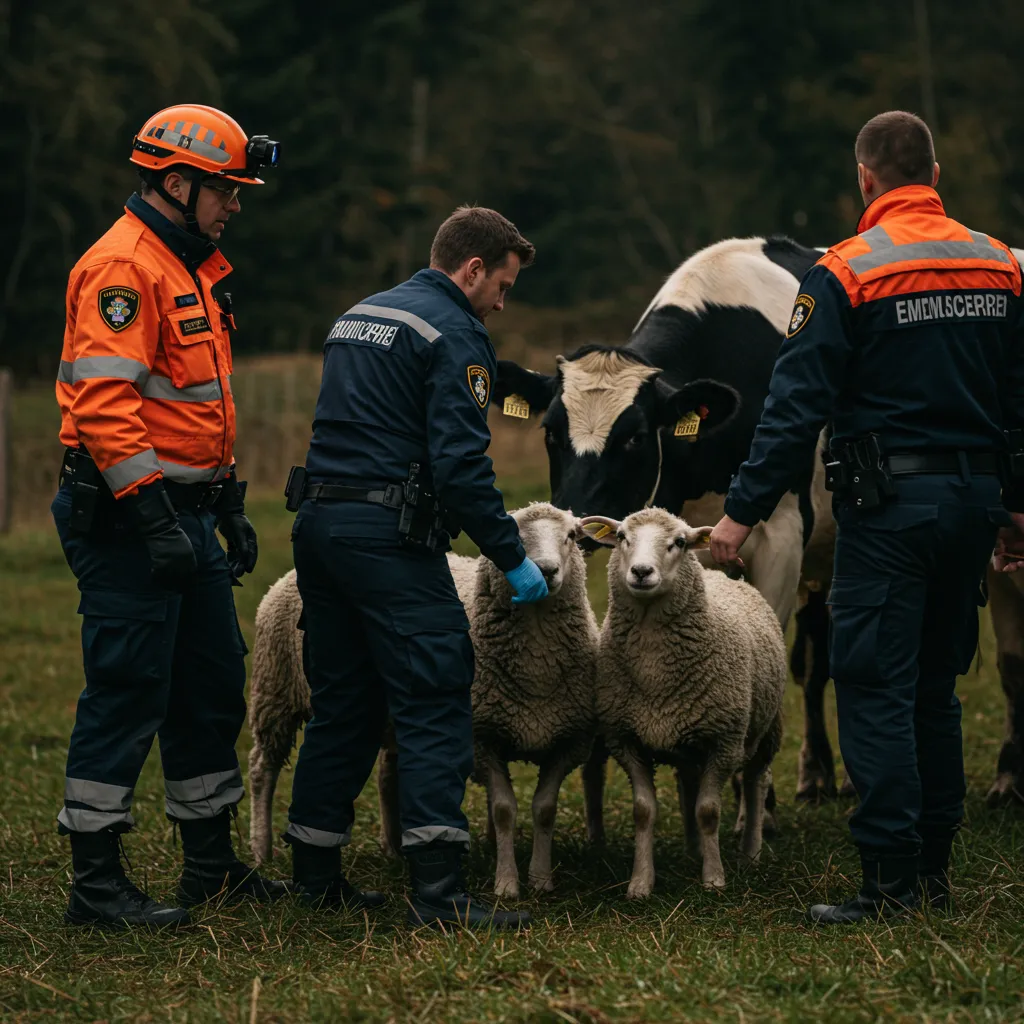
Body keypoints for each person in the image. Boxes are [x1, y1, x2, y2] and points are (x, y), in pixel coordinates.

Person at [709, 110, 1024, 923]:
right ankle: (936, 870)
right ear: (937, 172)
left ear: (865, 179)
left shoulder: (847, 271)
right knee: (935, 691)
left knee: (876, 686)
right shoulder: (999, 264)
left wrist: (739, 517)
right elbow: (1019, 401)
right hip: (972, 507)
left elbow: (794, 409)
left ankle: (888, 884)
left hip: (887, 514)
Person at [52, 104, 286, 928]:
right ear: (177, 182)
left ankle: (211, 867)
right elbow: (107, 407)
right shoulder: (125, 269)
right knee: (128, 687)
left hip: (181, 512)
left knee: (211, 685)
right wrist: (154, 519)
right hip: (126, 516)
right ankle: (96, 882)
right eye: (225, 189)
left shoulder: (193, 266)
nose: (235, 204)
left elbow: (196, 408)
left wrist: (223, 504)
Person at [285, 206, 548, 929]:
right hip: (389, 540)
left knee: (345, 702)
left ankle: (315, 875)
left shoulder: (358, 315)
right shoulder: (456, 331)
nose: (502, 301)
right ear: (471, 270)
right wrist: (511, 556)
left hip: (319, 526)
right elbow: (462, 468)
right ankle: (439, 894)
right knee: (434, 695)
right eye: (502, 284)